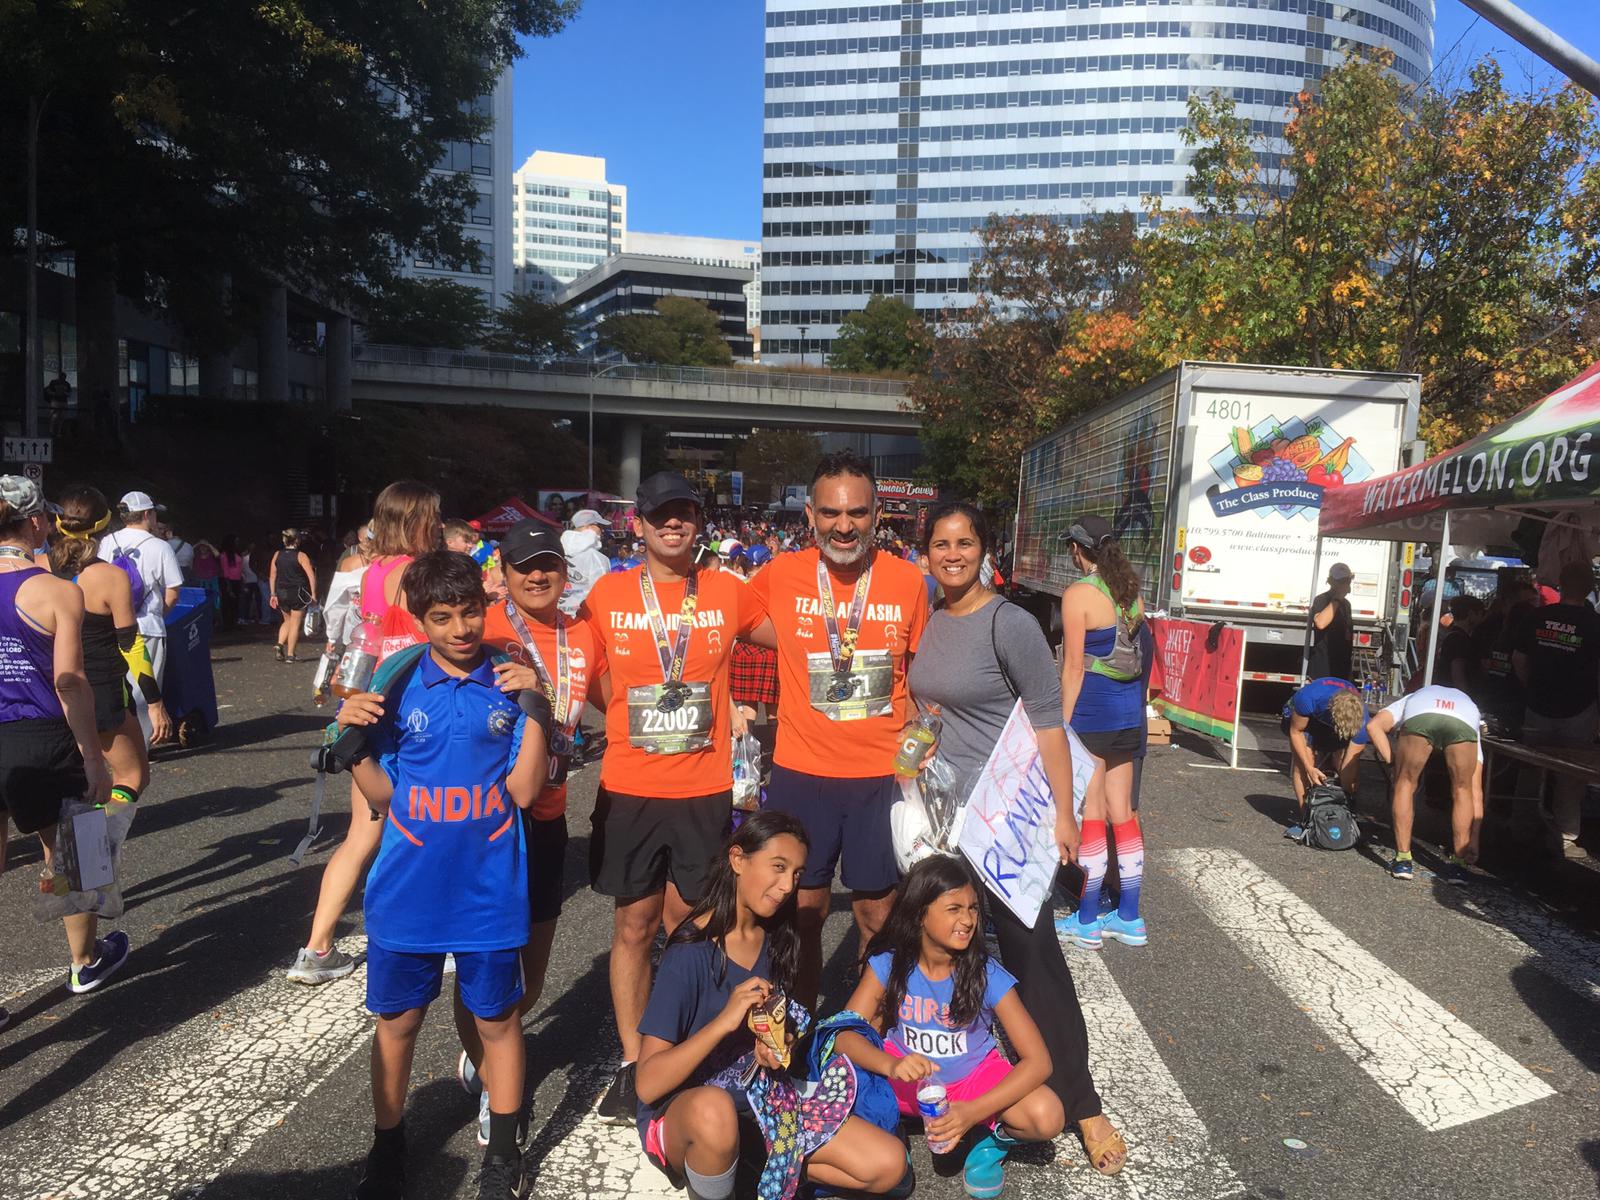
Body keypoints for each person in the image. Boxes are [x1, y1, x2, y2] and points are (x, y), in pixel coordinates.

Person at [907, 502, 1125, 1176]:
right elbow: (928, 704)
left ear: (983, 549)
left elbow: (1049, 722)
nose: (952, 554)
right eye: (941, 543)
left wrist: (1065, 813)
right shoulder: (929, 617)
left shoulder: (1011, 622)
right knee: (952, 947)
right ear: (927, 552)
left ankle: (1083, 1102)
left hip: (1008, 818)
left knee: (1035, 958)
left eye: (964, 542)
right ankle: (968, 1078)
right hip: (943, 817)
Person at [333, 550, 550, 1200]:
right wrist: (352, 747)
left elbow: (524, 791)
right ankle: (389, 1144)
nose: (459, 628)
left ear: (485, 606)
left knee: (498, 1023)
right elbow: (384, 798)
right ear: (419, 618)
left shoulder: (509, 683)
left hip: (489, 890)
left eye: (469, 612)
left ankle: (505, 1154)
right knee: (398, 1024)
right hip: (407, 891)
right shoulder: (396, 686)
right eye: (441, 617)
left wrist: (537, 704)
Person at [582, 471, 763, 1125]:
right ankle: (634, 1064)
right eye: (661, 514)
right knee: (632, 926)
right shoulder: (605, 594)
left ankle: (691, 1050)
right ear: (640, 523)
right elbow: (574, 665)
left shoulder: (726, 591)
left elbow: (798, 641)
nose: (673, 523)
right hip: (630, 787)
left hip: (704, 790)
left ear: (700, 522)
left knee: (693, 925)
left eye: (685, 513)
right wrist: (619, 714)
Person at [635, 811, 911, 1200]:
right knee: (714, 1113)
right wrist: (724, 1023)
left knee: (888, 1164)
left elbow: (785, 1035)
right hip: (690, 1115)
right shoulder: (690, 952)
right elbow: (647, 1085)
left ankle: (751, 1167)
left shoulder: (778, 938)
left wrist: (781, 1047)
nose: (786, 886)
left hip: (765, 1105)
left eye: (797, 874)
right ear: (737, 859)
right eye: (777, 867)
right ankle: (720, 1182)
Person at [744, 452, 929, 1011]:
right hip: (804, 774)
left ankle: (866, 1032)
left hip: (880, 775)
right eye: (830, 513)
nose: (843, 526)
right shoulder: (779, 574)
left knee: (877, 913)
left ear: (877, 515)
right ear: (810, 513)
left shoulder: (908, 581)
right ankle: (799, 1026)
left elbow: (922, 671)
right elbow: (726, 624)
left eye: (856, 513)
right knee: (803, 908)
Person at [455, 522, 605, 1142]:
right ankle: (496, 1077)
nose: (537, 575)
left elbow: (619, 702)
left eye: (548, 564)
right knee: (485, 959)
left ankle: (497, 1044)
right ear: (505, 572)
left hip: (547, 814)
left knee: (533, 969)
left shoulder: (585, 635)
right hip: (482, 821)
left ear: (564, 572)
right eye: (524, 566)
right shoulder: (479, 628)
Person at [837, 856, 1066, 1198]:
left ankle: (989, 1143)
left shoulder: (986, 974)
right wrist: (891, 1064)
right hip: (904, 1078)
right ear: (919, 914)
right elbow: (842, 1034)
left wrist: (972, 1111)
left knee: (1047, 1115)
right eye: (954, 908)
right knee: (840, 1087)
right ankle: (890, 1132)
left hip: (970, 1082)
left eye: (973, 909)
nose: (968, 920)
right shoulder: (889, 964)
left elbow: (1039, 1061)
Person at [287, 482, 440, 986]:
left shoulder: (371, 571)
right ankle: (425, 932)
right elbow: (434, 641)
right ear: (415, 521)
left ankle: (317, 946)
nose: (438, 526)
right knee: (429, 826)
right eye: (432, 518)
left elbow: (366, 640)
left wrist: (346, 698)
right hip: (416, 710)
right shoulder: (419, 574)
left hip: (369, 705)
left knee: (361, 834)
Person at [0, 476, 120, 1004]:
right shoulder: (57, 590)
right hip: (41, 734)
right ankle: (83, 963)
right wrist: (94, 758)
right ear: (35, 523)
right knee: (72, 850)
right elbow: (69, 680)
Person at [1058, 515, 1148, 952]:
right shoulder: (1130, 591)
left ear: (1079, 550)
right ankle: (1129, 915)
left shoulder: (1078, 596)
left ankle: (1088, 919)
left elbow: (1073, 667)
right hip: (1129, 713)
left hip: (1092, 714)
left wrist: (1059, 724)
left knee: (1092, 812)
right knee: (1122, 812)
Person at [1512, 560, 1600, 859]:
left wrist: (1531, 688)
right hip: (1579, 708)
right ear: (1590, 588)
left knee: (1530, 767)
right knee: (1571, 775)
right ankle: (1565, 835)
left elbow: (1519, 659)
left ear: (1560, 585)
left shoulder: (1539, 617)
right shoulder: (1594, 625)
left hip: (1538, 704)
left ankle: (1521, 826)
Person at [1363, 685, 1484, 882]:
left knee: (1405, 783)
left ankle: (1403, 860)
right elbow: (1476, 791)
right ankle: (1459, 866)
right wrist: (1475, 838)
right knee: (1463, 791)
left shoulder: (1410, 698)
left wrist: (1393, 763)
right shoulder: (1473, 714)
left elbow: (1373, 726)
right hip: (1463, 720)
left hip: (1422, 711)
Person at [98, 491, 184, 744]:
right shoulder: (160, 546)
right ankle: (142, 747)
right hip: (148, 627)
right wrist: (159, 614)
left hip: (111, 626)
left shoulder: (107, 542)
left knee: (118, 688)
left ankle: (116, 743)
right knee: (145, 689)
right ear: (147, 514)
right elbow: (173, 593)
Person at [1281, 677, 1369, 837]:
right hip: (1306, 717)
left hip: (1337, 719)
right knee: (1304, 763)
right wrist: (1309, 768)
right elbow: (1296, 732)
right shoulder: (1308, 698)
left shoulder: (1363, 721)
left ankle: (1348, 815)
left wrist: (1347, 796)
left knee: (1343, 762)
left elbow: (1350, 764)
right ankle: (1306, 820)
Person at [268, 529, 317, 663]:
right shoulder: (301, 556)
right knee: (295, 624)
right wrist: (313, 593)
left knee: (287, 620)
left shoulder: (277, 554)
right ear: (297, 540)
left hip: (281, 592)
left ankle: (279, 644)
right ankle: (290, 654)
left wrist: (273, 593)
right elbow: (311, 576)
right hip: (298, 592)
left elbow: (272, 575)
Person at [1306, 563, 1355, 682]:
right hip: (1323, 669)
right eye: (1340, 581)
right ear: (1331, 581)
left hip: (1341, 668)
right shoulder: (1322, 599)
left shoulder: (1346, 605)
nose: (1344, 584)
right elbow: (1321, 623)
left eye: (1347, 580)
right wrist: (1337, 598)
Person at [561, 508, 612, 616]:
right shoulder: (596, 558)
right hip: (585, 619)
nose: (602, 530)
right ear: (588, 527)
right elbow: (602, 594)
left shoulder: (559, 550)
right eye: (599, 526)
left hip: (559, 616)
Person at [1433, 595, 1485, 695]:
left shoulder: (1449, 634)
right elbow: (1458, 672)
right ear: (1471, 614)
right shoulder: (1460, 639)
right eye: (1480, 614)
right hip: (1454, 697)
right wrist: (1465, 698)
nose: (1481, 619)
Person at [217, 535, 244, 630]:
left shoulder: (236, 553)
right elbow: (225, 571)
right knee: (227, 602)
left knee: (235, 603)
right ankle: (227, 623)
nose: (237, 543)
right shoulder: (224, 555)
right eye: (236, 541)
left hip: (237, 580)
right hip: (228, 581)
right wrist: (229, 586)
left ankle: (234, 622)